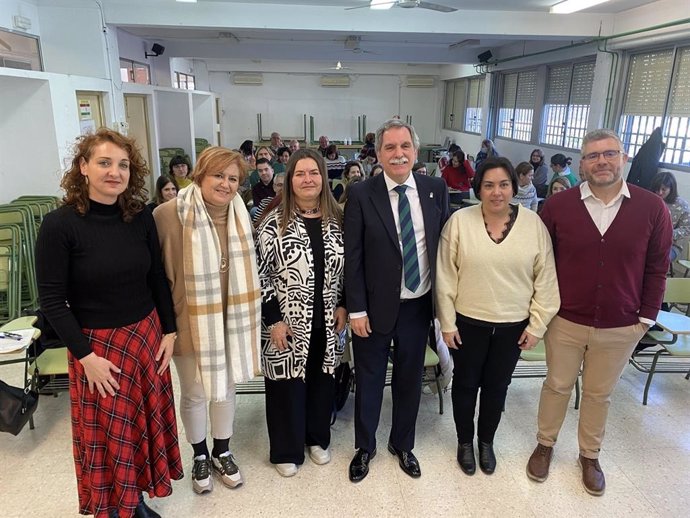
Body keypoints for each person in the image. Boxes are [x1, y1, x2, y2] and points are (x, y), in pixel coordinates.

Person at [35, 128, 182, 518]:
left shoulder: (140, 218)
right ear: (83, 167)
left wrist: (170, 330)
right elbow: (51, 300)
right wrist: (86, 358)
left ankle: (136, 501)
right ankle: (117, 508)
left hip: (145, 338)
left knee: (139, 430)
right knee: (109, 436)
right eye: (104, 162)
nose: (114, 172)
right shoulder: (59, 225)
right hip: (98, 349)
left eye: (122, 165)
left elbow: (156, 279)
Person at [526, 129, 672, 496]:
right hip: (566, 320)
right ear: (582, 162)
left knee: (598, 394)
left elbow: (657, 267)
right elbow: (541, 262)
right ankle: (545, 444)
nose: (602, 161)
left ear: (624, 158)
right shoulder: (558, 206)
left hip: (622, 324)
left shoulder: (651, 207)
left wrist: (646, 318)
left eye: (610, 154)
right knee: (557, 386)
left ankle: (589, 456)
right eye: (593, 156)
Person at [436, 157, 560, 477]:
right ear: (478, 189)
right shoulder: (460, 221)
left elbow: (545, 279)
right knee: (465, 386)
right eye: (489, 185)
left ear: (514, 188)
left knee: (497, 387)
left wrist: (537, 326)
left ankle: (486, 442)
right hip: (467, 323)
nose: (497, 192)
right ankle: (465, 442)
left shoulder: (533, 225)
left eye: (504, 184)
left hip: (513, 326)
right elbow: (446, 276)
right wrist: (446, 323)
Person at [344, 119, 449, 482]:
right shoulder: (361, 194)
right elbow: (353, 257)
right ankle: (365, 447)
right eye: (390, 147)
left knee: (410, 378)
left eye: (405, 146)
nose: (398, 154)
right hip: (372, 310)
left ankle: (403, 444)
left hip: (419, 306)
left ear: (415, 151)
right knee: (369, 379)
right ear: (378, 154)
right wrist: (356, 308)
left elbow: (442, 252)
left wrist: (444, 310)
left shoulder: (435, 189)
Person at [154, 146, 261, 495]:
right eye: (218, 175)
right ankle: (200, 454)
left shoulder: (241, 213)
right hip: (189, 319)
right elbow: (156, 276)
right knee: (196, 391)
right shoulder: (167, 215)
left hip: (232, 318)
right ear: (200, 174)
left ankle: (222, 450)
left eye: (233, 179)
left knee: (226, 388)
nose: (225, 184)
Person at [256, 148, 347, 478]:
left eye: (313, 172)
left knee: (322, 380)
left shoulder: (337, 221)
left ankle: (317, 439)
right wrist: (273, 319)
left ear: (323, 177)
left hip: (327, 318)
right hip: (286, 321)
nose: (308, 179)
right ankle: (286, 448)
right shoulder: (271, 223)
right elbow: (260, 275)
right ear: (289, 180)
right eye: (300, 173)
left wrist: (344, 303)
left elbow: (350, 269)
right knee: (286, 386)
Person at [650, 171, 690, 262]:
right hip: (649, 240)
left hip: (672, 245)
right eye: (657, 189)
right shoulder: (650, 200)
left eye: (664, 189)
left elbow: (687, 229)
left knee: (656, 259)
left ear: (671, 189)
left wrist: (667, 234)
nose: (659, 192)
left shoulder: (682, 205)